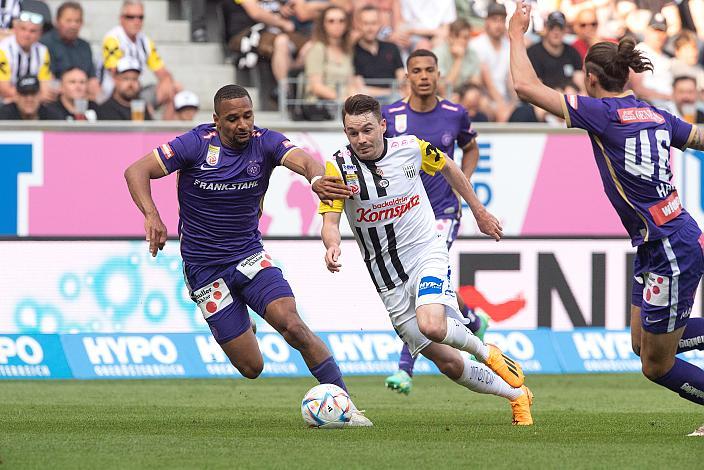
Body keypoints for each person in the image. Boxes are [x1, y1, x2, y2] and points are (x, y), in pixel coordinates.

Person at [508, 1, 704, 436]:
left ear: (590, 78)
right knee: (641, 341)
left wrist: (515, 33)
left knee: (656, 365)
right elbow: (698, 137)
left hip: (670, 245)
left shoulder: (601, 113)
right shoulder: (653, 113)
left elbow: (524, 86)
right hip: (661, 241)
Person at [124, 84, 372, 427]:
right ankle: (243, 321)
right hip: (204, 269)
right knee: (251, 368)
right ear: (216, 121)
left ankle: (347, 407)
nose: (243, 125)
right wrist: (152, 215)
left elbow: (302, 158)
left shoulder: (264, 142)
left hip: (249, 256)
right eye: (233, 119)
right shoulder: (194, 144)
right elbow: (135, 171)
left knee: (293, 325)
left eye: (247, 116)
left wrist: (315, 178)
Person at [319, 94, 533, 425]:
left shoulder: (411, 148)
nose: (361, 139)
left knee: (431, 324)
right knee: (448, 363)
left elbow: (448, 165)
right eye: (352, 132)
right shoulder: (338, 168)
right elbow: (330, 222)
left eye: (367, 130)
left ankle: (486, 351)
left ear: (382, 126)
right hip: (387, 279)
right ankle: (518, 396)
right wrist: (332, 246)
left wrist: (478, 211)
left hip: (426, 253)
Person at [381, 49, 489, 394]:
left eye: (430, 70)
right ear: (407, 77)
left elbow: (470, 148)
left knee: (421, 283)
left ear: (438, 74)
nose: (424, 76)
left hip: (443, 213)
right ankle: (472, 320)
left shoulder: (455, 114)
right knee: (425, 286)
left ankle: (404, 369)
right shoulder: (390, 116)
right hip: (405, 216)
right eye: (417, 70)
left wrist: (463, 185)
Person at [101, 0, 179, 109]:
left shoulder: (145, 41)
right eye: (131, 17)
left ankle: (164, 123)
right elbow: (116, 75)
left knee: (174, 87)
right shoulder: (112, 38)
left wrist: (167, 81)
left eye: (140, 17)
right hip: (113, 93)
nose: (136, 21)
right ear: (121, 19)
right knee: (128, 84)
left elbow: (162, 72)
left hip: (135, 89)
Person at [40, 2, 101, 101]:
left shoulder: (85, 46)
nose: (73, 25)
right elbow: (48, 82)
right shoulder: (44, 44)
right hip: (56, 101)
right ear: (57, 21)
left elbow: (92, 81)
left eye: (77, 21)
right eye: (68, 21)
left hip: (82, 100)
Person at [304, 5, 361, 106]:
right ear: (323, 25)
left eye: (341, 21)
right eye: (331, 21)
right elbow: (316, 87)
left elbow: (350, 82)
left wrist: (355, 98)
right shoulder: (318, 49)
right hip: (320, 106)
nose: (337, 25)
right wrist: (344, 100)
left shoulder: (347, 50)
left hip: (344, 107)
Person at [470, 2, 514, 121]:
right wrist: (501, 104)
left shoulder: (509, 46)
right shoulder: (476, 45)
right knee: (502, 113)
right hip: (484, 97)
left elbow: (511, 80)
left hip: (505, 98)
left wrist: (515, 104)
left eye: (501, 20)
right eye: (494, 20)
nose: (498, 25)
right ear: (487, 21)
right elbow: (485, 81)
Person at [0, 10, 54, 101]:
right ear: (15, 29)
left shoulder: (42, 51)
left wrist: (32, 99)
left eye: (32, 31)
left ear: (39, 34)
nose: (27, 34)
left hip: (32, 101)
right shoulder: (3, 50)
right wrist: (31, 99)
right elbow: (4, 89)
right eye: (23, 29)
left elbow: (45, 84)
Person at [353, 5, 404, 99]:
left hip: (394, 101)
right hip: (367, 103)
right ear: (358, 25)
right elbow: (360, 89)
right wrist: (391, 92)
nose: (370, 28)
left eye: (374, 23)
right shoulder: (353, 51)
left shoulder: (392, 48)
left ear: (380, 24)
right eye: (365, 23)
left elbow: (401, 80)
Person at [526, 11, 583, 90]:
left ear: (565, 30)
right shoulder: (533, 53)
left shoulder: (573, 52)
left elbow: (580, 83)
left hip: (569, 97)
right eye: (552, 28)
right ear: (546, 28)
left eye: (560, 28)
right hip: (543, 99)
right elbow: (534, 87)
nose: (556, 32)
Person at [631, 13, 673, 103]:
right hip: (648, 104)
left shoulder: (668, 57)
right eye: (655, 30)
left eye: (662, 31)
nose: (659, 35)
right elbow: (638, 89)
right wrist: (669, 97)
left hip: (671, 106)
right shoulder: (638, 52)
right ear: (647, 31)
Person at [432, 18, 480, 93]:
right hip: (439, 98)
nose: (464, 41)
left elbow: (475, 83)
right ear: (450, 37)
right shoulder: (438, 54)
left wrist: (460, 94)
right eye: (458, 37)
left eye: (467, 38)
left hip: (462, 94)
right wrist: (459, 59)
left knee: (476, 97)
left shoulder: (472, 54)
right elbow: (445, 89)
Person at [96, 56, 152, 120]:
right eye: (126, 79)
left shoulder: (142, 107)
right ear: (115, 79)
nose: (131, 84)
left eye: (135, 79)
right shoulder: (105, 110)